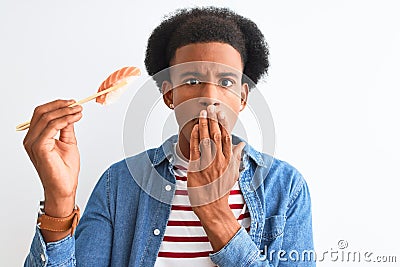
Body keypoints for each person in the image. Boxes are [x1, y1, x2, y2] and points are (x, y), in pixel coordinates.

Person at [23, 7, 315, 267]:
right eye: (191, 81)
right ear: (169, 94)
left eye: (226, 82)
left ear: (242, 96)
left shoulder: (285, 187)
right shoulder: (119, 183)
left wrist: (216, 214)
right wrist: (59, 201)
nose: (209, 97)